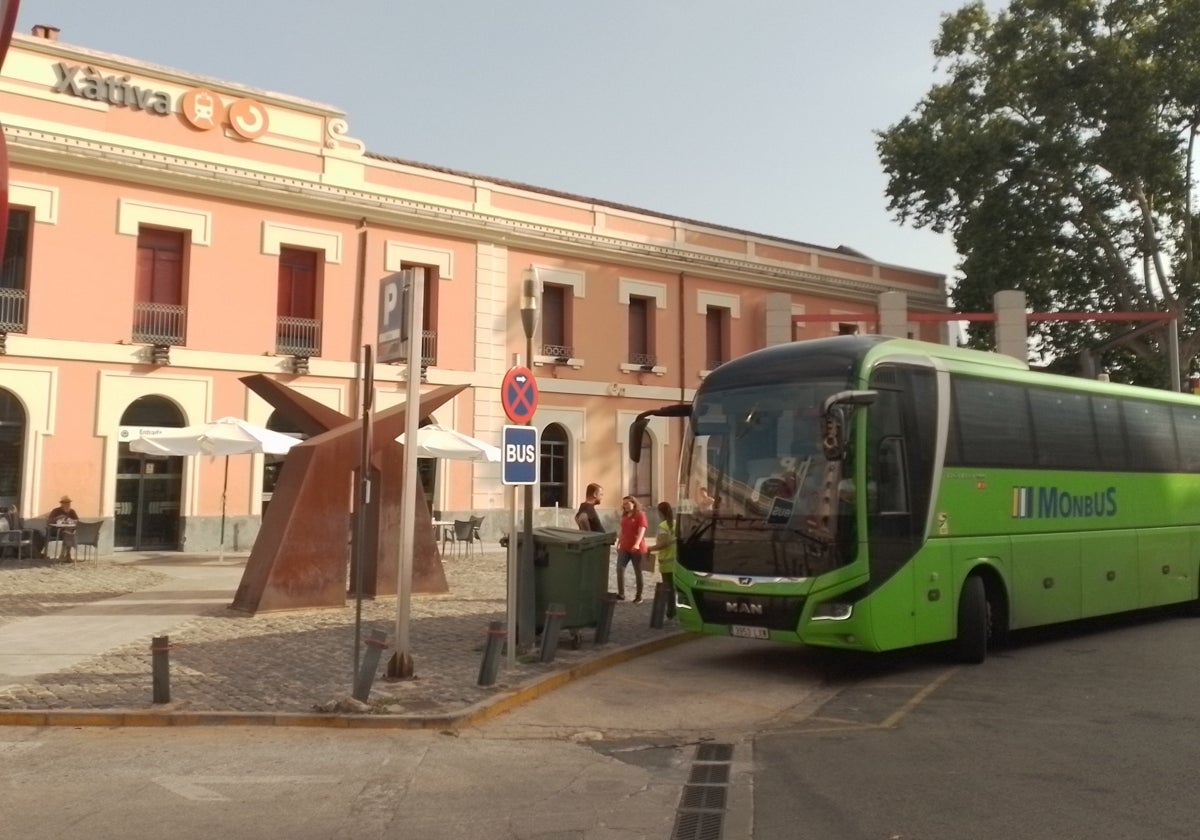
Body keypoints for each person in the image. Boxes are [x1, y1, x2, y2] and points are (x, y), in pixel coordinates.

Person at [645, 501, 676, 619]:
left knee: (668, 588)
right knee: (673, 588)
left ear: (660, 512)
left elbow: (664, 543)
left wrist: (650, 548)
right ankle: (674, 610)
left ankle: (671, 611)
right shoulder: (675, 523)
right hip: (675, 560)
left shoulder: (663, 525)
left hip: (666, 561)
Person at [615, 495, 647, 603]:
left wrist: (637, 544)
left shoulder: (640, 515)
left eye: (628, 503)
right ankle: (621, 594)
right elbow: (622, 530)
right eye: (624, 504)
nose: (626, 506)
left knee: (638, 571)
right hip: (625, 547)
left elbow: (642, 530)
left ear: (633, 503)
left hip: (636, 549)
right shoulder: (624, 516)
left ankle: (639, 596)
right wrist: (619, 542)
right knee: (620, 568)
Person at [47, 495, 78, 561]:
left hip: (68, 531)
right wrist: (58, 518)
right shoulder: (56, 511)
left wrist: (71, 520)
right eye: (66, 503)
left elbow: (77, 521)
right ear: (62, 504)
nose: (67, 504)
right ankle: (66, 554)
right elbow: (49, 521)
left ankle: (65, 554)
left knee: (68, 532)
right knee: (67, 533)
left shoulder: (72, 511)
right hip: (56, 531)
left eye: (68, 503)